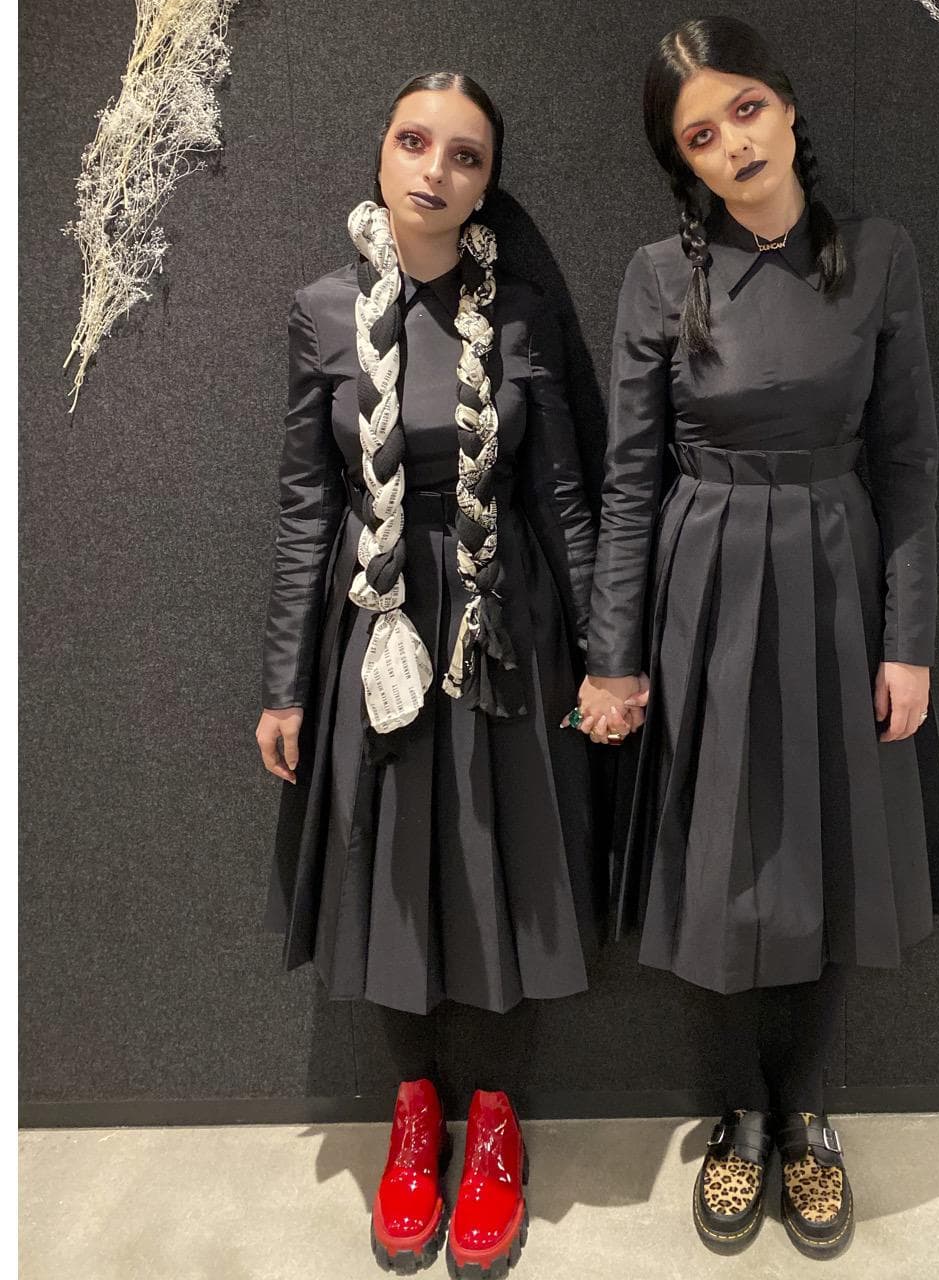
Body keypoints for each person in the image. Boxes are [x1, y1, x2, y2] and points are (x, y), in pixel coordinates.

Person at [568, 17, 939, 1260]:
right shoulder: (656, 278)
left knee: (831, 848)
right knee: (714, 854)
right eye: (700, 135)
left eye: (745, 110)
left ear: (787, 106)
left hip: (840, 576)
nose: (734, 144)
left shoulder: (880, 257)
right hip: (704, 584)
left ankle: (806, 1111)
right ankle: (738, 1111)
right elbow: (628, 480)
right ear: (682, 163)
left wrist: (909, 640)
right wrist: (614, 656)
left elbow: (909, 461)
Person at [256, 71, 599, 1276]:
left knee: (500, 857)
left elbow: (564, 496)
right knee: (392, 862)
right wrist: (285, 681)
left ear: (486, 184)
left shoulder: (526, 316)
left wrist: (609, 656)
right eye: (414, 142)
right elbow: (305, 508)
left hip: (501, 622)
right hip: (377, 622)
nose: (435, 170)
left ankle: (494, 1121)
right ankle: (415, 1113)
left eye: (464, 155)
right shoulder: (320, 312)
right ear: (382, 153)